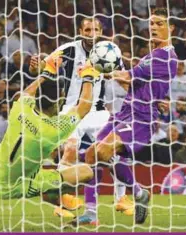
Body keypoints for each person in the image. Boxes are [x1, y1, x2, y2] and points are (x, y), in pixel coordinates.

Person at [78, 8, 177, 225]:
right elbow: (129, 81)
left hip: (141, 118)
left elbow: (126, 75)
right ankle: (92, 213)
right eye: (151, 24)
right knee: (91, 154)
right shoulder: (150, 55)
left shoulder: (164, 56)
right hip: (125, 112)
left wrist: (95, 69)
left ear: (171, 28)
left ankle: (138, 192)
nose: (153, 28)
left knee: (103, 151)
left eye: (159, 24)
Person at [29, 17, 134, 221]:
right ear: (80, 30)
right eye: (87, 29)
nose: (91, 33)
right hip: (71, 110)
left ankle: (121, 198)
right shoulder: (68, 49)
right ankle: (62, 200)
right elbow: (42, 68)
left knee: (114, 151)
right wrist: (35, 66)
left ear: (101, 31)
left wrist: (136, 94)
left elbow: (123, 78)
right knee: (70, 149)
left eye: (95, 29)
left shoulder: (109, 51)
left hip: (98, 111)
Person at [0, 51, 98, 204]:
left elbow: (26, 93)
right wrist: (88, 75)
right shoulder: (51, 130)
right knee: (86, 172)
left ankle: (53, 193)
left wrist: (45, 74)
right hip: (19, 185)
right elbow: (83, 107)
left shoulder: (21, 108)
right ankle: (52, 193)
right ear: (58, 102)